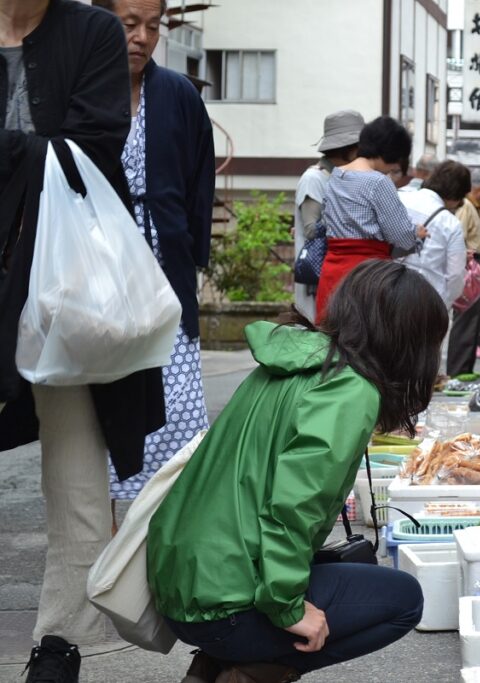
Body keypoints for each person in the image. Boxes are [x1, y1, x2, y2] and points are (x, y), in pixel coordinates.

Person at [148, 260, 443, 681]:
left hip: (185, 580)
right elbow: (293, 507)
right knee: (404, 600)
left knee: (356, 576)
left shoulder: (298, 361)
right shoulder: (350, 390)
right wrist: (288, 609)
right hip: (220, 604)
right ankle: (237, 672)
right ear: (406, 341)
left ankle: (219, 665)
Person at [0, 2, 168, 680]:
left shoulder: (92, 31)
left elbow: (93, 143)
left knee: (76, 476)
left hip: (63, 288)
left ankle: (60, 642)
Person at [100, 0, 215, 521]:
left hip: (166, 268)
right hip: (98, 275)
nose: (142, 37)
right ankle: (104, 542)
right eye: (129, 25)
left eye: (153, 26)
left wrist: (190, 253)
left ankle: (171, 537)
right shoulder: (83, 89)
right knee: (99, 414)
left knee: (177, 416)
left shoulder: (178, 94)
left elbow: (199, 182)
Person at [315, 116, 425, 319]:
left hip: (333, 269)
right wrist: (416, 234)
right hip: (368, 275)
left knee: (333, 338)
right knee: (366, 340)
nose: (393, 168)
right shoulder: (379, 182)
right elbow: (402, 237)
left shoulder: (336, 176)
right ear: (390, 153)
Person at [397, 159, 470, 365]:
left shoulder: (400, 199)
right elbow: (455, 274)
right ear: (456, 194)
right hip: (428, 297)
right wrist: (444, 303)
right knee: (420, 361)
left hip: (390, 288)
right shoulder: (450, 222)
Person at [293, 110, 364, 322]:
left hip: (335, 275)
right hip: (317, 278)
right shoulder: (314, 178)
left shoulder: (341, 177)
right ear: (348, 149)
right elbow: (311, 230)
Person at [447, 168, 480, 374]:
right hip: (470, 266)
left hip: (473, 264)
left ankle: (464, 368)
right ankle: (459, 370)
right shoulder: (466, 206)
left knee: (472, 317)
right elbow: (458, 234)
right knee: (466, 317)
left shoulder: (470, 206)